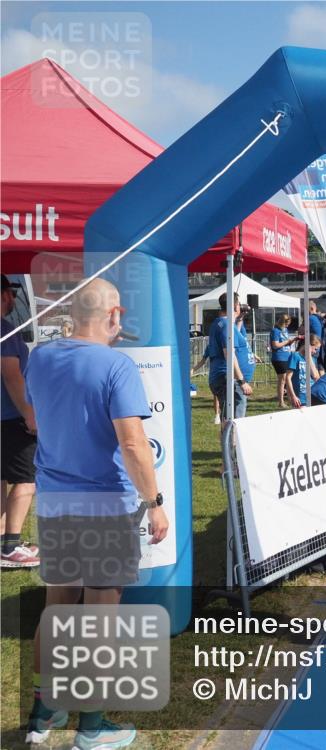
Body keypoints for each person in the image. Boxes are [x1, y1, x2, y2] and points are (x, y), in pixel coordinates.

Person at [24, 278, 168, 750]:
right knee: (101, 614)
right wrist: (155, 503)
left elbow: (36, 418)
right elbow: (134, 443)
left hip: (55, 500)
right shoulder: (116, 364)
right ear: (114, 315)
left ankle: (44, 711)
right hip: (105, 504)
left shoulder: (41, 357)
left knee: (59, 606)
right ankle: (92, 725)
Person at [1, 275, 40, 568]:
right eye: (11, 293)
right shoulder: (5, 331)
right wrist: (30, 415)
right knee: (27, 479)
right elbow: (11, 375)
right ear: (4, 296)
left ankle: (4, 539)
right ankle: (11, 546)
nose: (13, 299)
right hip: (11, 418)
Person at [207, 293, 253, 422]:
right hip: (229, 379)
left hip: (224, 378)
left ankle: (227, 436)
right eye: (238, 304)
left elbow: (233, 337)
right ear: (234, 306)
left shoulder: (221, 323)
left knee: (228, 419)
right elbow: (229, 354)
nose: (240, 307)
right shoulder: (226, 324)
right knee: (235, 421)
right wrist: (241, 381)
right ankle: (230, 437)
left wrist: (239, 319)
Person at [285, 336, 322, 408]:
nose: (315, 352)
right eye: (315, 349)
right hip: (300, 398)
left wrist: (309, 356)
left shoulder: (312, 359)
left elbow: (316, 377)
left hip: (312, 396)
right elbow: (288, 377)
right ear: (308, 345)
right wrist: (293, 396)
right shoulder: (295, 356)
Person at [270, 314, 296, 407]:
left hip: (287, 356)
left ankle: (290, 399)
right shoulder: (275, 331)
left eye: (288, 324)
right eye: (286, 324)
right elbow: (275, 345)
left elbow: (286, 343)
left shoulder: (285, 330)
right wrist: (286, 342)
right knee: (283, 379)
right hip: (279, 357)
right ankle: (281, 402)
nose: (287, 325)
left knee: (287, 378)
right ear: (282, 322)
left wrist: (291, 341)